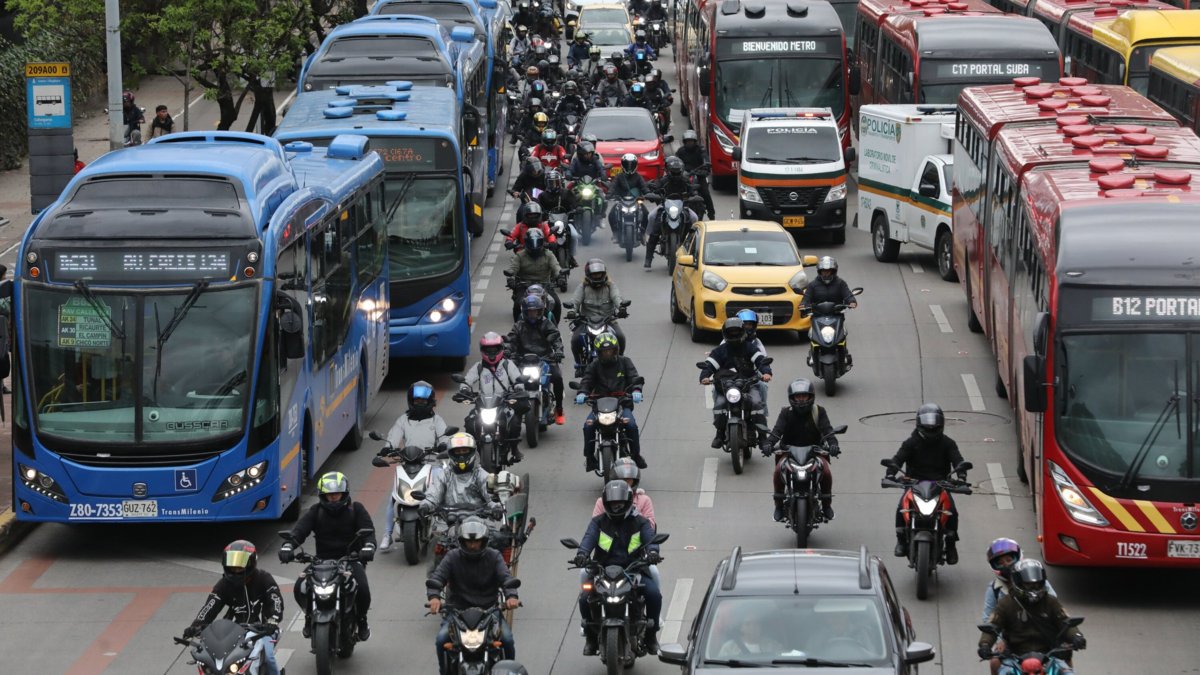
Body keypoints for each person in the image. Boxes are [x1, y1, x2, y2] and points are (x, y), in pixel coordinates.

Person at [280, 472, 377, 640]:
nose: (333, 498)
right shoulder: (316, 511)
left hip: (350, 560)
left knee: (363, 589)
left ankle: (362, 620)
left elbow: (369, 532)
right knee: (299, 587)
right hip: (321, 561)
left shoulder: (357, 509)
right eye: (329, 495)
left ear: (344, 493)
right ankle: (309, 615)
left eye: (336, 494)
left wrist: (368, 547)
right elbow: (300, 530)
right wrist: (288, 546)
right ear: (322, 495)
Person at [573, 480, 662, 655]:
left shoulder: (640, 522)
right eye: (612, 504)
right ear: (606, 503)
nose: (616, 507)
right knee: (584, 598)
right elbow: (588, 538)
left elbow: (650, 538)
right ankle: (591, 637)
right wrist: (582, 554)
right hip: (602, 570)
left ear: (629, 502)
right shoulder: (598, 522)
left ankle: (651, 635)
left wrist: (652, 552)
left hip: (634, 570)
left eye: (620, 503)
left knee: (654, 595)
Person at [428, 517, 520, 672]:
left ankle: (507, 670)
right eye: (468, 542)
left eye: (476, 542)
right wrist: (434, 597)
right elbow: (437, 578)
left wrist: (511, 596)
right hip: (457, 612)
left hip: (489, 612)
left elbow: (506, 578)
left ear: (483, 541)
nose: (472, 545)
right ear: (462, 541)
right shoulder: (452, 557)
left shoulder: (494, 556)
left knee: (507, 640)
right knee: (440, 640)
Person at [185, 540, 284, 675]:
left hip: (264, 629)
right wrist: (196, 625)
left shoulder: (264, 578)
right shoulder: (224, 583)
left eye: (239, 565)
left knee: (269, 656)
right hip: (233, 632)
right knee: (212, 659)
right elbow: (210, 606)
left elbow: (276, 600)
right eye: (232, 565)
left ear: (251, 562)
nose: (235, 569)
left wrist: (273, 619)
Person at [885, 403, 968, 562]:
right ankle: (901, 540)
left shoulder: (948, 443)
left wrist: (962, 477)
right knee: (901, 508)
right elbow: (898, 459)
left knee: (952, 511)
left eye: (934, 425)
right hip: (914, 484)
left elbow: (958, 460)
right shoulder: (911, 442)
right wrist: (890, 474)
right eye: (927, 425)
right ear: (918, 423)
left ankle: (951, 545)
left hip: (940, 485)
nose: (931, 428)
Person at [380, 381, 452, 549]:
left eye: (423, 401)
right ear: (411, 401)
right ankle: (387, 534)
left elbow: (445, 438)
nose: (419, 404)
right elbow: (393, 436)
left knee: (441, 491)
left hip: (432, 464)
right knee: (393, 498)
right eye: (416, 400)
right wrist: (387, 448)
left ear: (431, 402)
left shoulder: (437, 420)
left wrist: (444, 445)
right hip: (408, 464)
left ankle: (442, 525)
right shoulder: (403, 420)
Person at [978, 559, 1084, 673]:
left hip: (1049, 656)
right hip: (1014, 656)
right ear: (1018, 582)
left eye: (1037, 584)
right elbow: (992, 626)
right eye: (1028, 584)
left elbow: (1066, 622)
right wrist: (985, 645)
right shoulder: (1006, 603)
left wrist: (1077, 637)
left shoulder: (1051, 602)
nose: (1034, 588)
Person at [982, 539, 1060, 675]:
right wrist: (999, 641)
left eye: (1008, 559)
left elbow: (1056, 608)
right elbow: (989, 620)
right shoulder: (994, 591)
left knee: (1065, 661)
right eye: (1000, 563)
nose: (1006, 565)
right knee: (995, 662)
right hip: (1013, 640)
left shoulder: (1038, 581)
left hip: (1043, 637)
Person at [766, 378, 838, 522]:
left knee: (826, 472)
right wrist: (768, 444)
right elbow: (777, 431)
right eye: (798, 397)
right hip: (788, 453)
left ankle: (826, 505)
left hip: (815, 452)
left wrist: (833, 445)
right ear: (792, 398)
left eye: (804, 396)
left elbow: (828, 430)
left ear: (810, 397)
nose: (801, 400)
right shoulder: (786, 413)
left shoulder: (819, 411)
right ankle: (778, 506)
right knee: (777, 472)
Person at [699, 317, 772, 449]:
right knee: (720, 405)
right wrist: (704, 376)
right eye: (730, 332)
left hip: (748, 385)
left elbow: (760, 361)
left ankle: (762, 437)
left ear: (742, 332)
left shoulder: (750, 348)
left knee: (756, 404)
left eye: (736, 331)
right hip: (726, 387)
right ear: (725, 333)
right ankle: (720, 433)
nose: (733, 334)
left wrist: (766, 373)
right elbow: (710, 365)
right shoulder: (720, 351)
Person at [576, 332, 646, 469]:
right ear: (599, 352)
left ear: (616, 350)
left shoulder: (625, 362)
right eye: (604, 351)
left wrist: (636, 390)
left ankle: (636, 455)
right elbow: (586, 381)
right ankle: (589, 458)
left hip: (622, 403)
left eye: (610, 350)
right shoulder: (594, 365)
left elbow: (634, 378)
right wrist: (582, 393)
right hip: (600, 406)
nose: (607, 353)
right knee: (588, 426)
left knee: (631, 425)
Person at [462, 332, 526, 462]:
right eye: (488, 350)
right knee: (469, 422)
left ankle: (514, 449)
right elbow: (467, 380)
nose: (491, 352)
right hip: (483, 404)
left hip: (504, 403)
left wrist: (518, 388)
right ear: (482, 350)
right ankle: (472, 452)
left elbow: (517, 379)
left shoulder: (508, 365)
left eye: (494, 349)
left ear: (500, 349)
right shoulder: (479, 366)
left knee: (514, 422)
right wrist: (464, 390)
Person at [507, 293, 566, 424]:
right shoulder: (519, 326)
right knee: (509, 380)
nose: (533, 314)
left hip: (544, 359)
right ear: (525, 312)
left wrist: (558, 351)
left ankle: (559, 409)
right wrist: (507, 350)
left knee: (557, 377)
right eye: (530, 312)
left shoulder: (547, 324)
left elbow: (556, 338)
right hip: (522, 360)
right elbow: (511, 340)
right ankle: (508, 409)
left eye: (536, 311)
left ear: (541, 311)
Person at [419, 433, 502, 519]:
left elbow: (491, 497)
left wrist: (496, 507)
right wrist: (425, 505)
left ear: (472, 451)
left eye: (464, 451)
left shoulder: (480, 474)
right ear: (451, 454)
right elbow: (433, 495)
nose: (461, 455)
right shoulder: (444, 475)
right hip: (448, 523)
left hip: (478, 523)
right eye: (457, 452)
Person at [570, 259, 627, 374]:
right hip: (586, 321)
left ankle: (619, 361)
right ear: (588, 275)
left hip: (608, 320)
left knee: (620, 337)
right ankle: (579, 365)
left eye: (599, 274)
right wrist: (572, 311)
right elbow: (575, 301)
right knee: (575, 339)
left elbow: (617, 298)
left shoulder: (610, 286)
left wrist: (621, 308)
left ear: (604, 273)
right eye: (594, 275)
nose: (597, 277)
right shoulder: (583, 287)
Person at [800, 256, 858, 367]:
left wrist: (852, 301)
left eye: (828, 271)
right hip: (818, 316)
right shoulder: (813, 285)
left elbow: (848, 294)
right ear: (819, 272)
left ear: (833, 271)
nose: (826, 274)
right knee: (811, 334)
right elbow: (806, 298)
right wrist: (803, 305)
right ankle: (813, 354)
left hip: (836, 315)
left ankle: (844, 354)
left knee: (843, 334)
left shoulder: (840, 283)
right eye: (824, 271)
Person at [644, 156, 699, 270]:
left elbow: (691, 190)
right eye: (673, 172)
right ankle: (648, 258)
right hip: (665, 207)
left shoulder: (684, 180)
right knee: (652, 217)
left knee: (694, 218)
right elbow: (655, 189)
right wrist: (652, 195)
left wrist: (694, 195)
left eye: (677, 172)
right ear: (668, 171)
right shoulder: (663, 181)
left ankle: (693, 250)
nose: (675, 174)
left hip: (682, 207)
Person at [675, 130, 716, 219]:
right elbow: (675, 161)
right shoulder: (680, 151)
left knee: (705, 193)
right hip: (685, 176)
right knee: (677, 192)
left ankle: (711, 213)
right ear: (684, 142)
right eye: (688, 141)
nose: (689, 143)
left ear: (695, 141)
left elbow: (705, 158)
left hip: (699, 175)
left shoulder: (700, 149)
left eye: (691, 141)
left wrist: (706, 167)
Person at [607, 153, 649, 236]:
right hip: (621, 200)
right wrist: (608, 195)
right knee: (611, 215)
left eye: (631, 165)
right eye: (627, 165)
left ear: (635, 165)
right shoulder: (619, 176)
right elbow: (613, 186)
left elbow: (644, 188)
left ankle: (643, 233)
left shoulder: (638, 177)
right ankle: (615, 233)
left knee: (646, 214)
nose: (629, 167)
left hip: (636, 201)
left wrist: (648, 194)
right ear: (623, 165)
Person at [716, 612, 783, 659]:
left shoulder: (773, 646)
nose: (752, 627)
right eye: (748, 624)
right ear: (741, 627)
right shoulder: (729, 648)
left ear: (761, 627)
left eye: (756, 623)